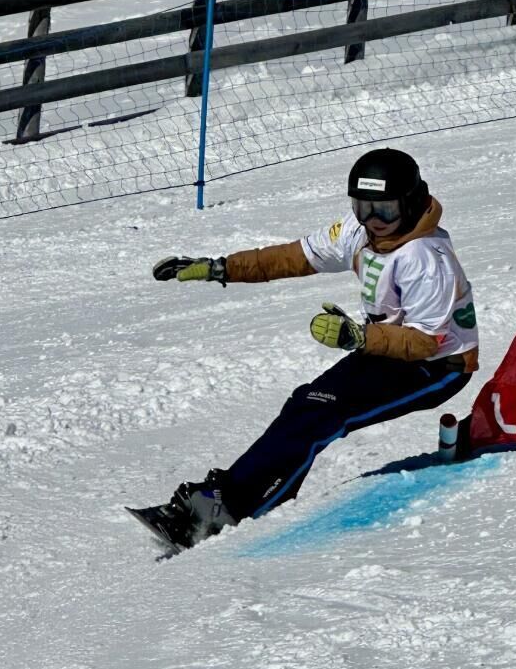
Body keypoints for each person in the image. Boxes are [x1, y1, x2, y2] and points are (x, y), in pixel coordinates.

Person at [133, 148, 479, 551]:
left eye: (384, 210)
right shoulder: (360, 233)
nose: (373, 221)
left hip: (437, 366)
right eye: (363, 208)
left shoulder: (425, 258)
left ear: (412, 202)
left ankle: (234, 509)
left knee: (322, 412)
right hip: (385, 348)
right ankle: (232, 498)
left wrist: (358, 337)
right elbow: (295, 257)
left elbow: (425, 340)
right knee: (308, 403)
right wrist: (221, 267)